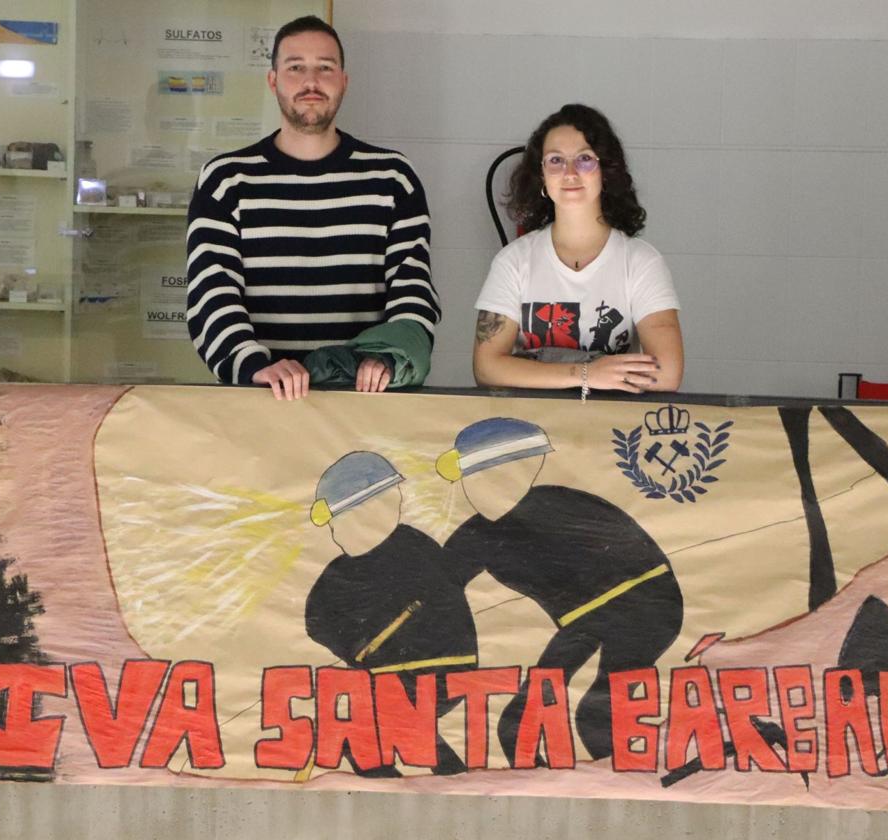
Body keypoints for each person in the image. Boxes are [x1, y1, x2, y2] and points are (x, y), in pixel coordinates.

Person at [185, 16, 440, 400]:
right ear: (273, 81)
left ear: (343, 81)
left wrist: (388, 357)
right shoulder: (226, 180)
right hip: (259, 402)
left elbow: (412, 286)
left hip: (364, 400)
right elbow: (211, 291)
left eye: (325, 68)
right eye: (295, 68)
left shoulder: (392, 177)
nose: (311, 82)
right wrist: (254, 365)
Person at [436, 418, 683, 764]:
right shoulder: (476, 535)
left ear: (528, 469)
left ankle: (629, 773)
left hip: (645, 601)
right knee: (526, 714)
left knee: (593, 711)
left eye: (495, 475)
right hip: (585, 619)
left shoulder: (559, 504)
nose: (482, 487)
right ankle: (547, 774)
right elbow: (436, 583)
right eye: (472, 477)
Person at [473, 104, 683, 396]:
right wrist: (587, 373)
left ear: (605, 171)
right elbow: (486, 368)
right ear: (542, 176)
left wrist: (535, 369)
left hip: (611, 431)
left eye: (584, 159)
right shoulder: (513, 261)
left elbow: (668, 373)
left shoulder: (641, 262)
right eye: (556, 160)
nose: (570, 172)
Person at [306, 451, 477, 775]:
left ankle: (450, 782)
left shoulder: (416, 549)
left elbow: (447, 611)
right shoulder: (336, 576)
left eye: (343, 520)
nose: (335, 532)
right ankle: (435, 783)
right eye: (334, 523)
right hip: (387, 678)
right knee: (364, 734)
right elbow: (317, 619)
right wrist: (354, 648)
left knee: (366, 731)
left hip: (438, 671)